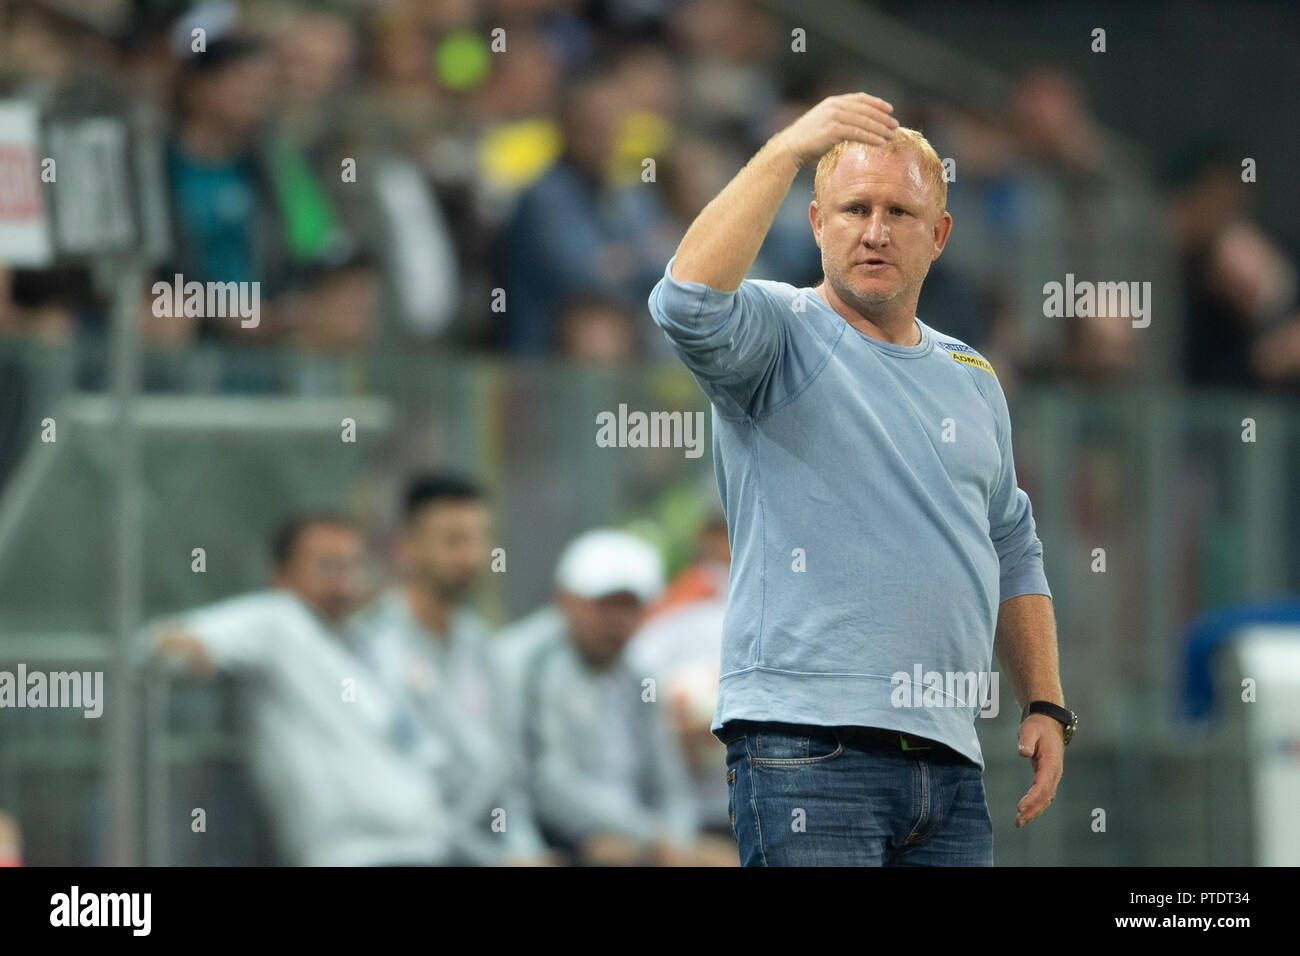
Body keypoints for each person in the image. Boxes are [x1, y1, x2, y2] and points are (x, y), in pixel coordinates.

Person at [647, 93, 1073, 866]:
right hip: (807, 746)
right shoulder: (777, 328)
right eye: (854, 208)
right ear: (816, 224)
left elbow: (1013, 544)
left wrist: (1045, 699)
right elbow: (684, 305)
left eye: (900, 213)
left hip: (948, 759)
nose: (875, 231)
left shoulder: (973, 376)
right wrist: (786, 150)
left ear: (939, 236)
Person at [146, 513, 451, 866]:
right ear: (282, 576)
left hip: (429, 848)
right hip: (352, 855)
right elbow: (160, 643)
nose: (344, 582)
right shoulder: (278, 621)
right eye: (327, 566)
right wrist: (187, 656)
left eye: (352, 565)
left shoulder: (369, 643)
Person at [496, 529, 732, 866]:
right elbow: (548, 781)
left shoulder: (638, 675)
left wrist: (675, 842)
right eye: (603, 605)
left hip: (634, 837)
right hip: (561, 838)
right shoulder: (531, 662)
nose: (616, 621)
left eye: (628, 607)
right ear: (565, 599)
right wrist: (650, 837)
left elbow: (669, 784)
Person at [353, 474, 554, 866]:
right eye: (453, 540)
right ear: (406, 548)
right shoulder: (371, 653)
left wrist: (526, 852)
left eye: (478, 538)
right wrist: (495, 861)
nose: (470, 555)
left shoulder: (486, 650)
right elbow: (405, 798)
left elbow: (509, 782)